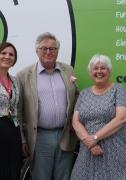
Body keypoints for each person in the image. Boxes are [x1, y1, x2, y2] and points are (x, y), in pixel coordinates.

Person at [16, 32, 78, 180]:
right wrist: (23, 139)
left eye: (53, 48)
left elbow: (76, 97)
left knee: (63, 176)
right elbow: (18, 111)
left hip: (65, 134)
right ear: (37, 50)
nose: (49, 52)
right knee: (41, 176)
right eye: (44, 48)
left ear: (57, 51)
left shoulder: (68, 70)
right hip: (40, 137)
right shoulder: (24, 75)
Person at [70, 54, 126, 180]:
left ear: (109, 71)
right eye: (95, 68)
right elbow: (75, 122)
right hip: (89, 150)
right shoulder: (84, 94)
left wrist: (95, 137)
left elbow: (122, 118)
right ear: (90, 72)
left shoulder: (118, 89)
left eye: (103, 68)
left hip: (116, 151)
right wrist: (90, 143)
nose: (99, 71)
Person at [0, 42, 22, 180]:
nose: (7, 56)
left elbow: (17, 109)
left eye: (11, 54)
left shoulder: (15, 81)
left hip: (13, 131)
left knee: (13, 169)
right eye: (3, 53)